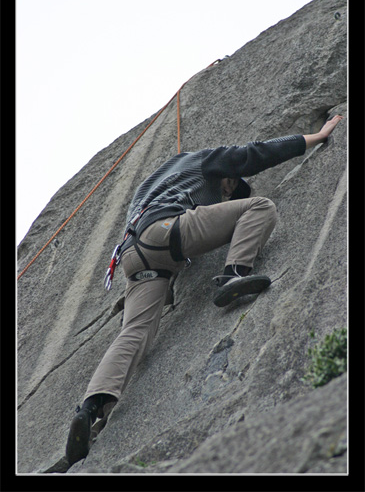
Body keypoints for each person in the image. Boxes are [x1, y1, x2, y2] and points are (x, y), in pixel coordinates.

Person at [65, 115, 343, 466]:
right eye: (229, 188)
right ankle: (233, 276)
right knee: (261, 207)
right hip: (165, 230)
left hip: (133, 257)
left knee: (133, 334)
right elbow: (252, 154)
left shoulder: (152, 184)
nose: (225, 195)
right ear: (227, 176)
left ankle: (90, 411)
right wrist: (314, 136)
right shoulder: (205, 160)